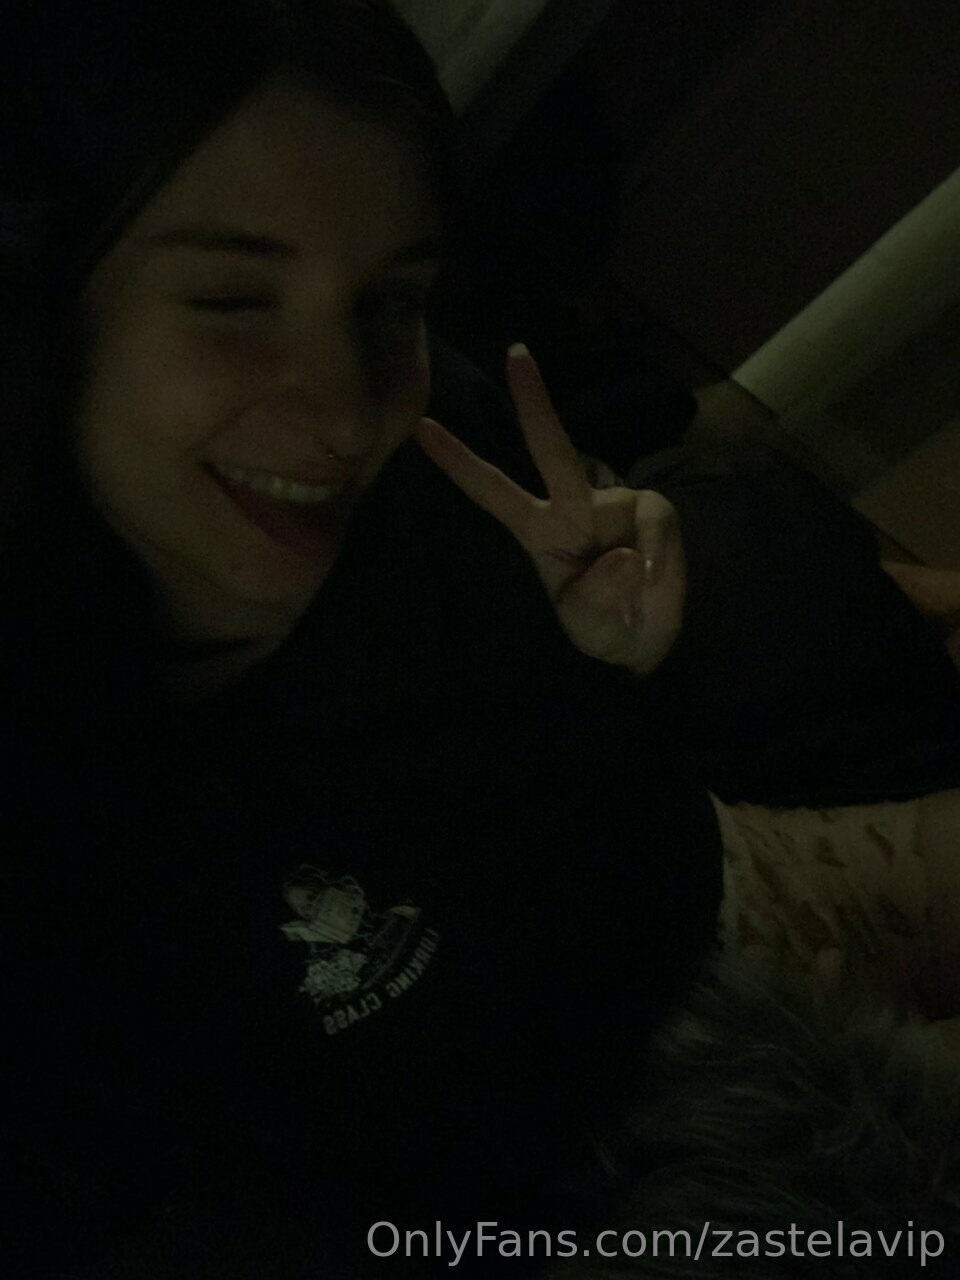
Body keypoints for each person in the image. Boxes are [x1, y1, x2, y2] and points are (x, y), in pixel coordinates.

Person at [2, 2, 958, 1276]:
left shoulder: (433, 478)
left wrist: (599, 655)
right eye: (234, 300)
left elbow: (613, 833)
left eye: (390, 302)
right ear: (48, 308)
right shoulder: (63, 828)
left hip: (717, 943)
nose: (348, 413)